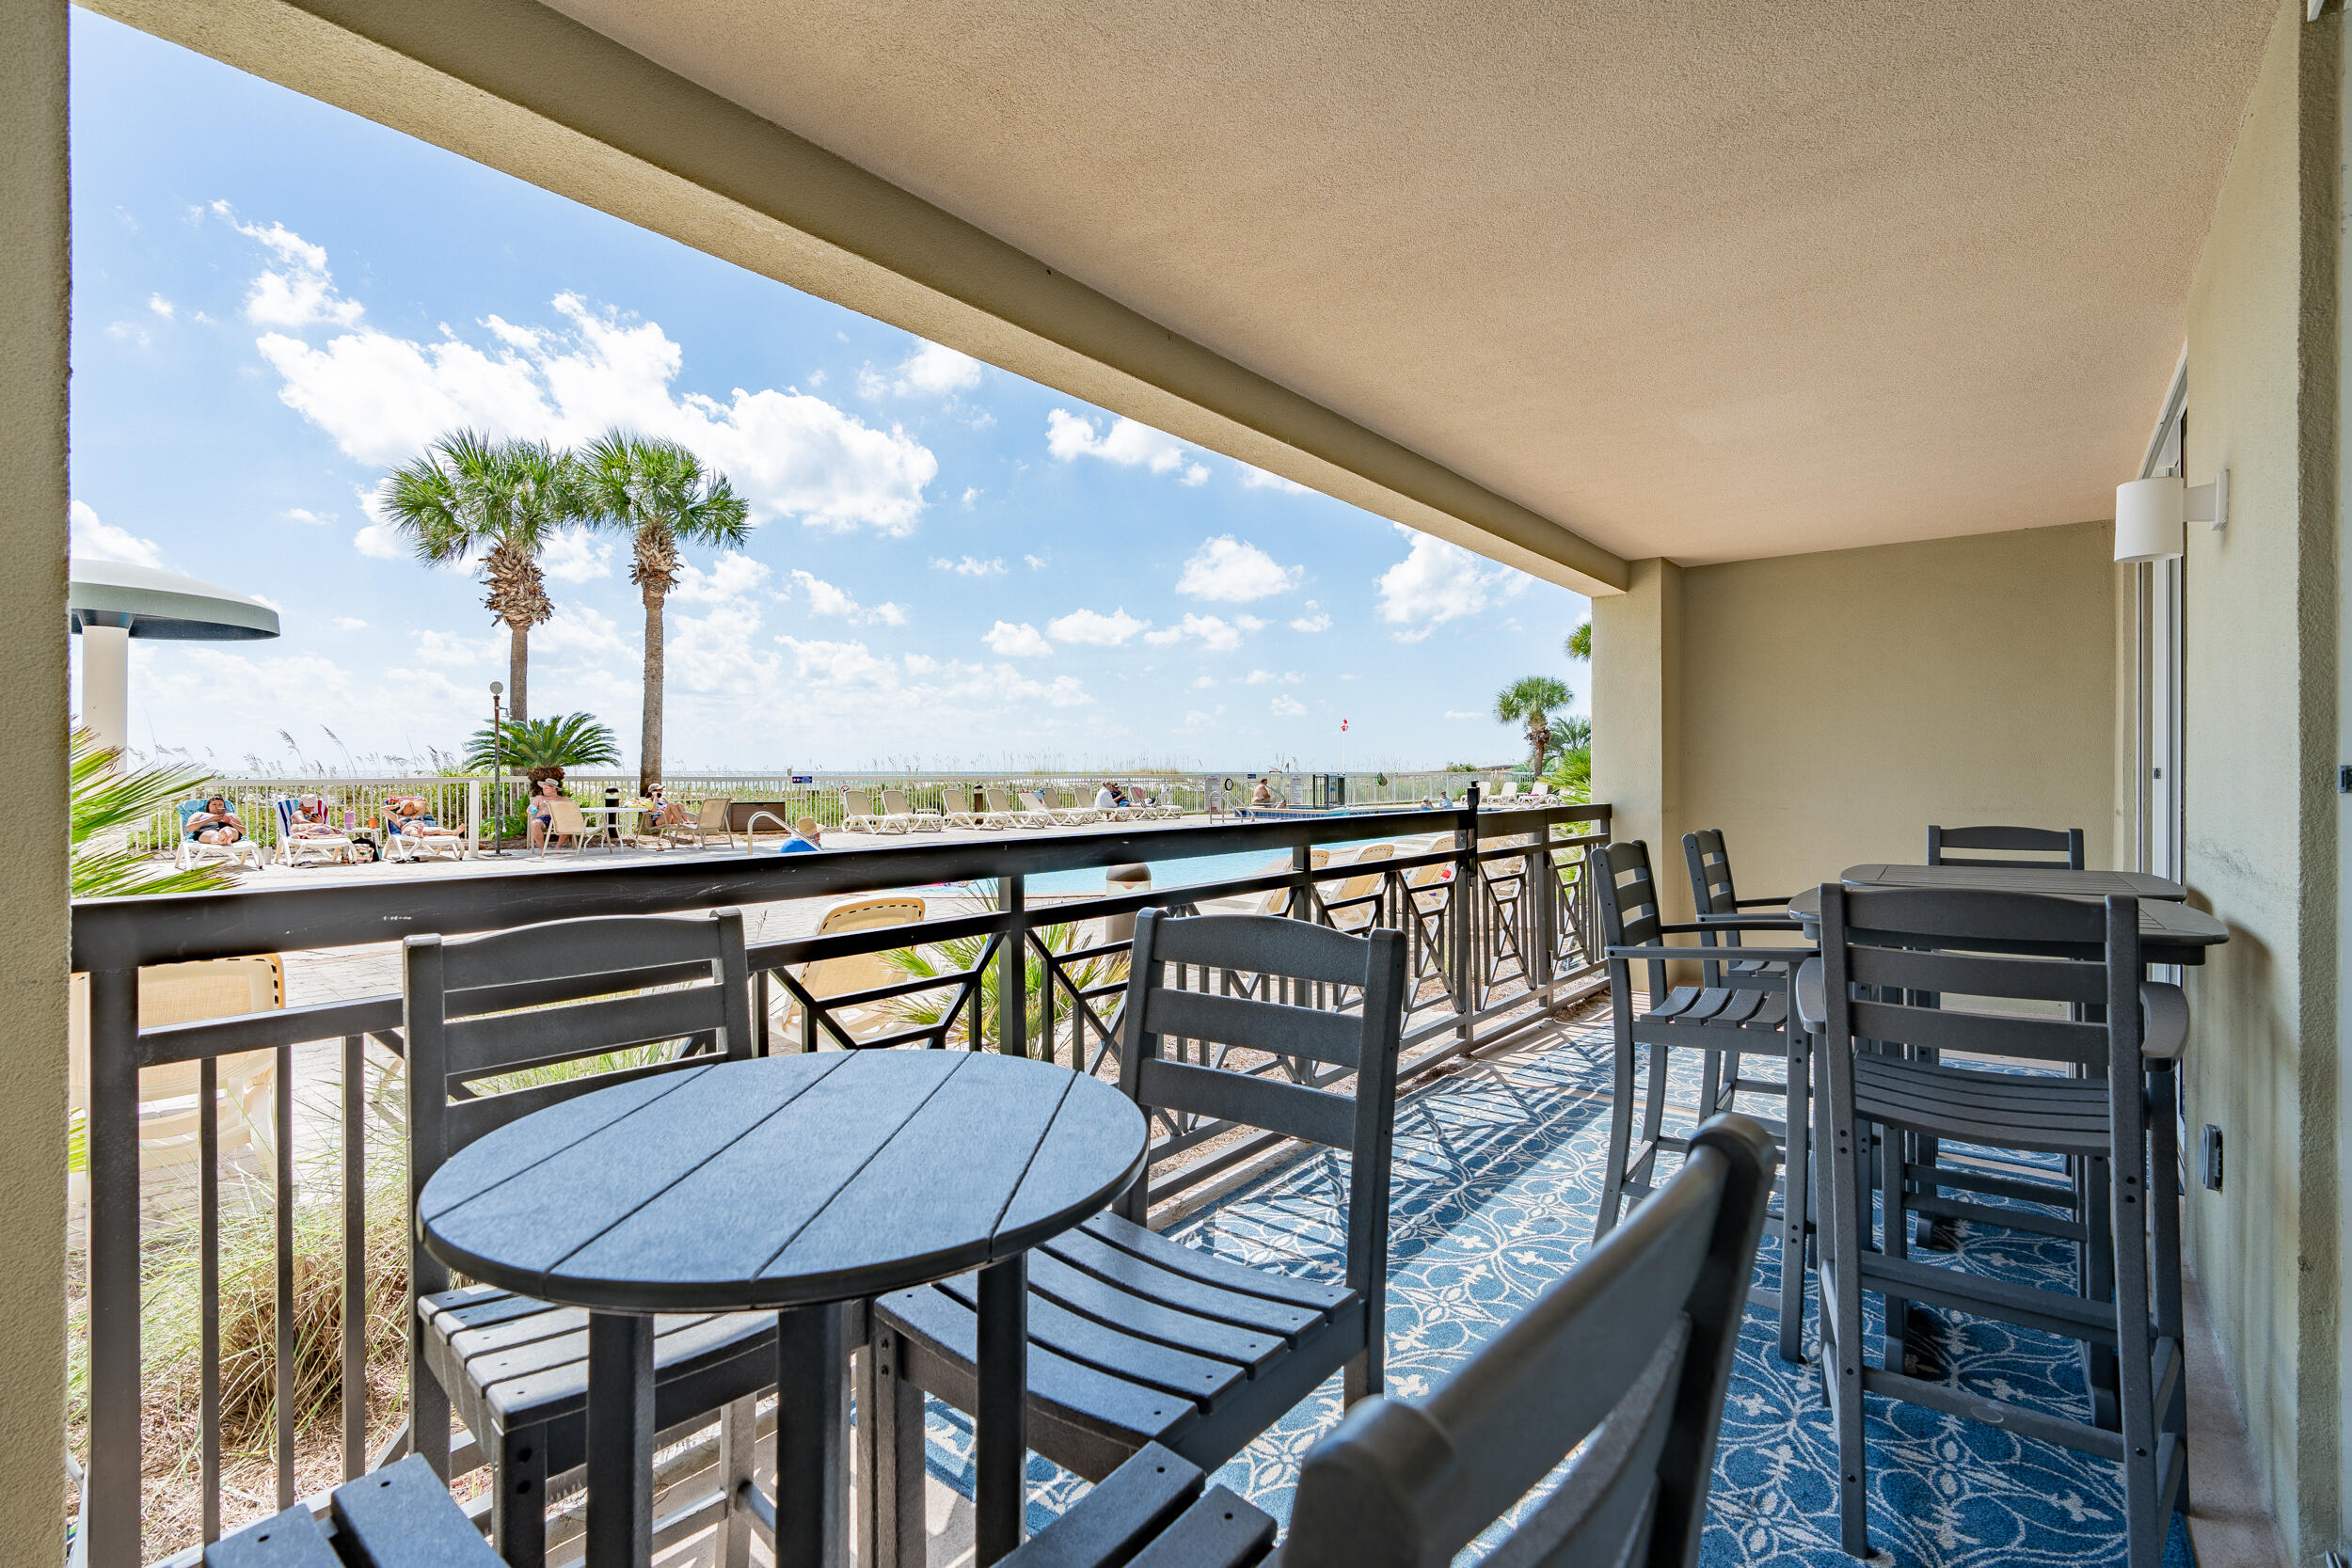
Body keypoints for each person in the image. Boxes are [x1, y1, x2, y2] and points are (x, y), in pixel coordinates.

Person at [527, 778, 564, 849]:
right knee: (535, 823)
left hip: (559, 819)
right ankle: (542, 849)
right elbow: (529, 809)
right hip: (543, 819)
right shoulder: (539, 798)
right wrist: (532, 810)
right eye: (543, 788)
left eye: (546, 788)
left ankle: (558, 847)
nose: (543, 790)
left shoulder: (562, 799)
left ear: (553, 789)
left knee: (570, 824)